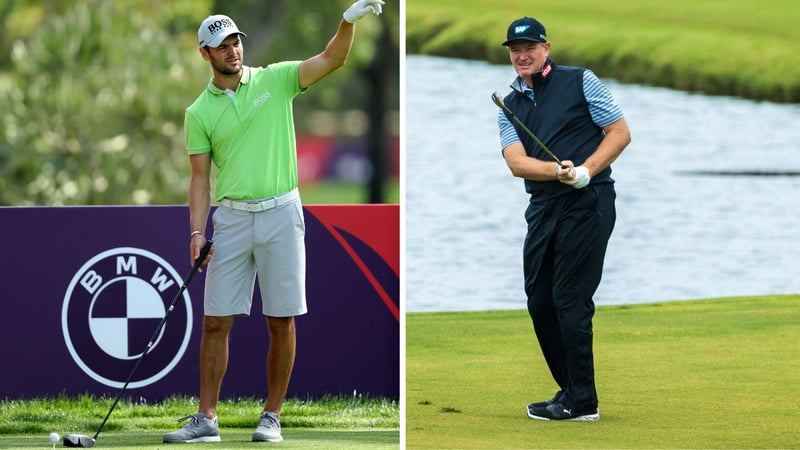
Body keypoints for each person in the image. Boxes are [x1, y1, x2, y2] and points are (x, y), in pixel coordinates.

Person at [163, 1, 385, 444]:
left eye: (235, 42)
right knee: (214, 321)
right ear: (204, 54)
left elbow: (332, 59)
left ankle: (272, 416)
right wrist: (195, 232)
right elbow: (200, 180)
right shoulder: (198, 113)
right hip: (232, 219)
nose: (232, 50)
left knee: (280, 319)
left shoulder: (276, 79)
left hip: (282, 212)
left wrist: (348, 21)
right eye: (221, 45)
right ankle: (207, 419)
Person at [496, 17, 631, 422]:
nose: (522, 55)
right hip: (543, 207)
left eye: (530, 47)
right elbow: (517, 163)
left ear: (546, 48)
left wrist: (586, 170)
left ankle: (583, 401)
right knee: (539, 300)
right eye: (515, 49)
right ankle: (571, 391)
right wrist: (556, 172)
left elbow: (619, 132)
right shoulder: (509, 105)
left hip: (588, 200)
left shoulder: (581, 80)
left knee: (570, 299)